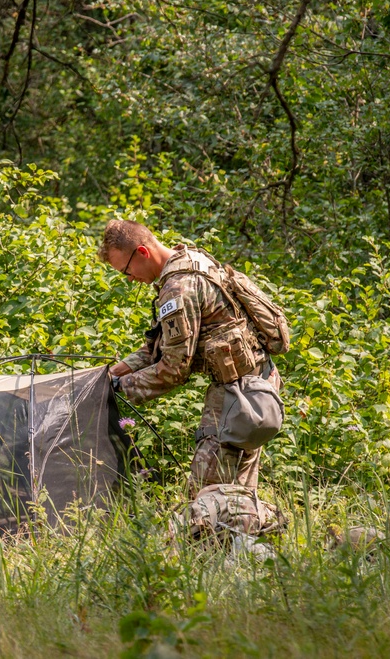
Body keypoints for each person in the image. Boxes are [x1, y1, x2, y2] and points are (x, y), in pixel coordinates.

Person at [99, 219, 287, 542]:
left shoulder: (177, 289)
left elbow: (173, 369)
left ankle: (275, 524)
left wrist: (118, 390)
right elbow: (159, 347)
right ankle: (245, 558)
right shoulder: (191, 260)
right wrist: (116, 371)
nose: (130, 280)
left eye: (126, 271)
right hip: (258, 386)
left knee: (204, 502)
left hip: (238, 397)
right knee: (235, 496)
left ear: (142, 252)